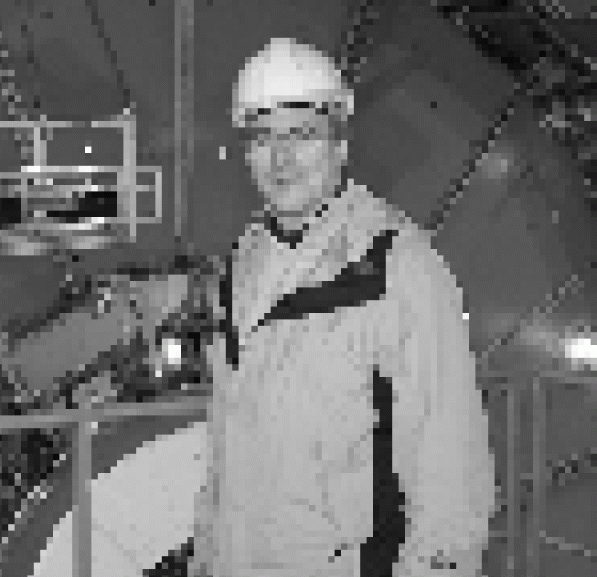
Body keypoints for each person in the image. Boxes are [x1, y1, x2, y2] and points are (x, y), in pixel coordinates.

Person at [185, 38, 497, 577]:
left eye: (302, 135)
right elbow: (227, 448)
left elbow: (448, 468)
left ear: (339, 146)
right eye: (263, 138)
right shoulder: (243, 263)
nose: (281, 159)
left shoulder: (397, 269)